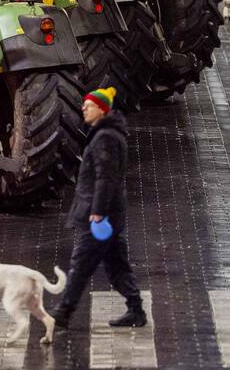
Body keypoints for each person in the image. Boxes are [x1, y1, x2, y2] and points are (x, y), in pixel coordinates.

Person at [52, 87, 146, 330]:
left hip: (98, 214)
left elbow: (106, 178)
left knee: (80, 263)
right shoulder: (105, 134)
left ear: (103, 110)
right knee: (116, 264)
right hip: (109, 213)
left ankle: (63, 312)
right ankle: (136, 310)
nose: (84, 108)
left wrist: (97, 212)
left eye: (90, 105)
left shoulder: (105, 138)